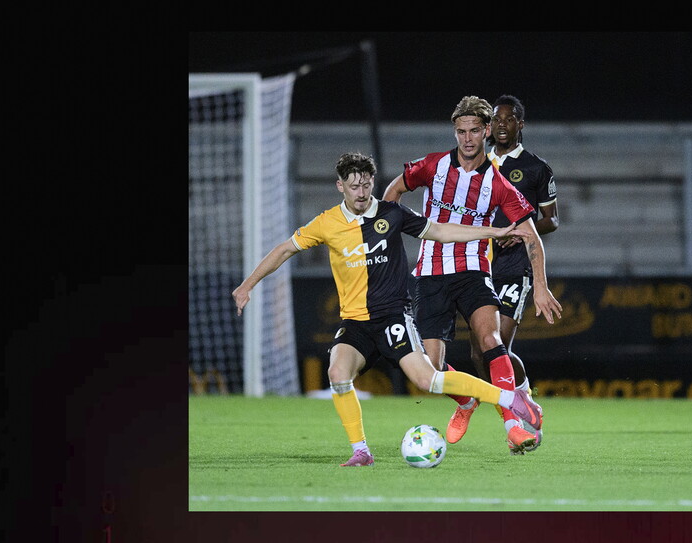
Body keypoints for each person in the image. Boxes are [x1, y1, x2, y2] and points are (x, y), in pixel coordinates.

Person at [232, 152, 543, 467]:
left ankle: (510, 398)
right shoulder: (327, 223)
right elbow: (285, 248)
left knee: (428, 380)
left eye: (366, 185)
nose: (362, 193)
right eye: (354, 186)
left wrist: (495, 232)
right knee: (337, 373)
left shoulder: (392, 214)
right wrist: (247, 285)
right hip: (355, 323)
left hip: (393, 317)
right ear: (340, 186)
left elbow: (441, 231)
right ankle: (361, 451)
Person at [382, 96, 562, 455]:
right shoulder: (433, 166)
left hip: (474, 271)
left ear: (485, 132)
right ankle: (466, 399)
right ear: (455, 131)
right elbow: (394, 192)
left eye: (475, 131)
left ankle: (513, 421)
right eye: (461, 131)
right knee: (429, 372)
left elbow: (533, 236)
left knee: (490, 340)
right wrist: (386, 237)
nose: (467, 139)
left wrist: (540, 287)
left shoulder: (498, 184)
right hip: (431, 273)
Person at [464, 95, 560, 453]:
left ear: (521, 124)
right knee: (478, 354)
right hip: (475, 262)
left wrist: (519, 231)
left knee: (497, 346)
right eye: (497, 119)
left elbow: (550, 219)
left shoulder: (536, 169)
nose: (502, 125)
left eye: (510, 118)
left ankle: (518, 418)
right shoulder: (474, 162)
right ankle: (523, 398)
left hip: (513, 265)